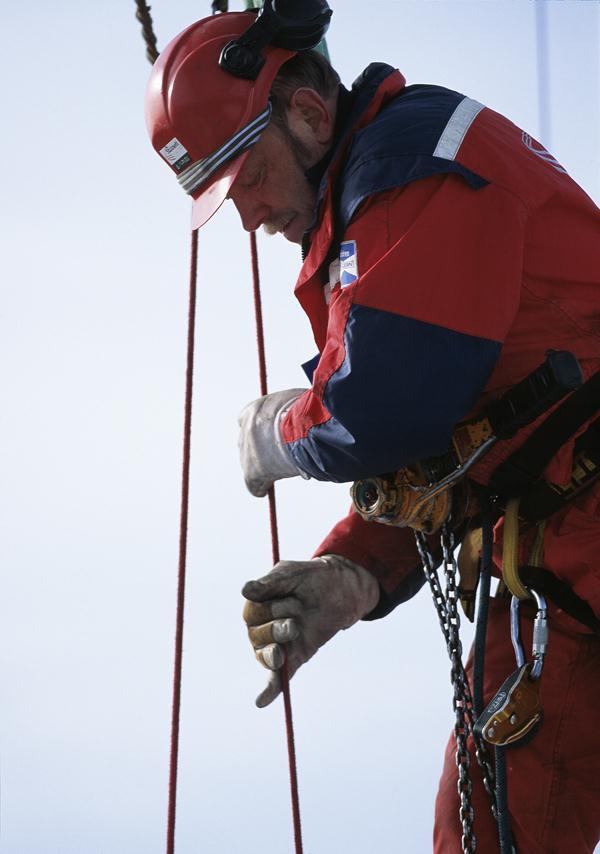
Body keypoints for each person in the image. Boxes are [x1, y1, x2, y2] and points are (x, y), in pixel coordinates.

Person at [145, 8, 600, 852]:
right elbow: (442, 448)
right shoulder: (374, 209)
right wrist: (353, 572)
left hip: (578, 545)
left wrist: (283, 431)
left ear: (311, 116)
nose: (247, 217)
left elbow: (389, 406)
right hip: (562, 565)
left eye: (244, 179)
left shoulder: (414, 170)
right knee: (486, 820)